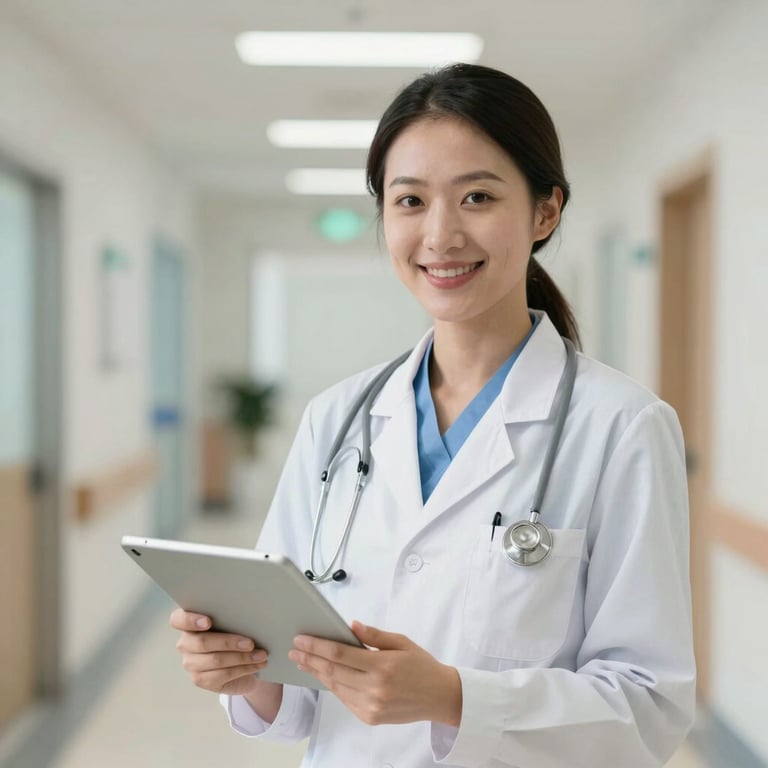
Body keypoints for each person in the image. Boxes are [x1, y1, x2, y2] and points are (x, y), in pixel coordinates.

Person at [172, 63, 695, 767]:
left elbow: (649, 709)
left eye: (477, 196)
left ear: (546, 211)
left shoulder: (622, 427)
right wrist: (239, 670)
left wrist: (453, 697)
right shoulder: (338, 420)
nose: (441, 235)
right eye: (410, 201)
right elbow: (293, 696)